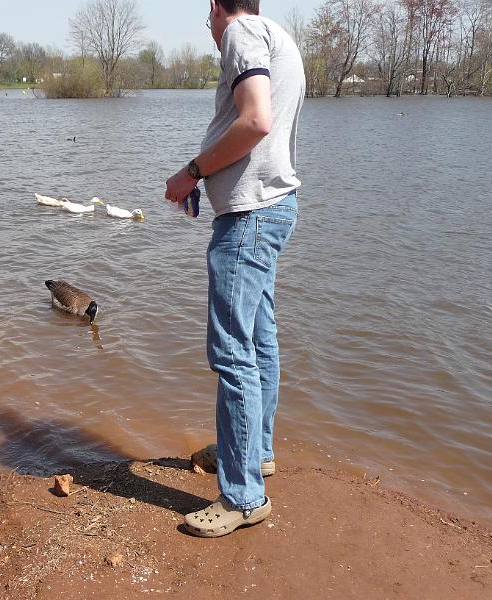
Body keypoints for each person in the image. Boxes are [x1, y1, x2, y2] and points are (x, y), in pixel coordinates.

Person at [164, 0, 305, 538]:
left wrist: (191, 172)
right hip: (271, 210)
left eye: (208, 19)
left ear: (218, 7)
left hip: (249, 219)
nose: (210, 29)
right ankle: (254, 452)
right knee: (258, 340)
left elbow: (256, 121)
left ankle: (244, 495)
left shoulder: (241, 33)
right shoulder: (276, 34)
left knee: (232, 351)